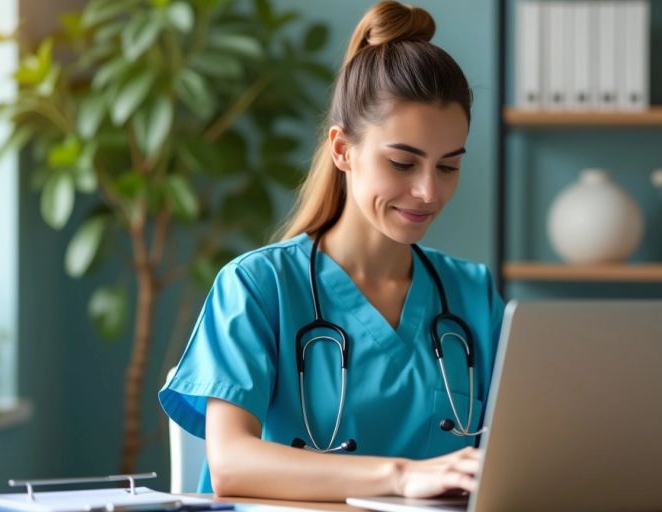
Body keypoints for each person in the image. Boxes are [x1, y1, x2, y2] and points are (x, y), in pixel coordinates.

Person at [159, 1, 505, 501]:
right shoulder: (258, 288)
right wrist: (402, 476)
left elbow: (523, 451)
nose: (430, 192)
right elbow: (231, 462)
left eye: (448, 167)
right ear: (343, 150)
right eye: (404, 163)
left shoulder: (472, 294)